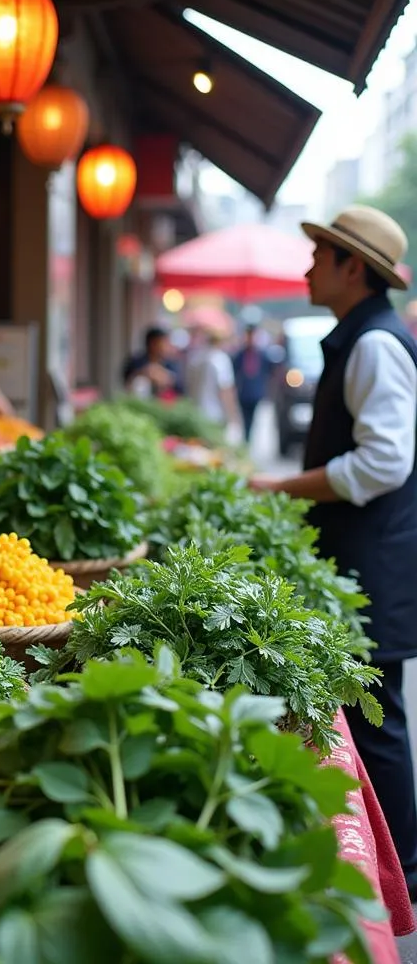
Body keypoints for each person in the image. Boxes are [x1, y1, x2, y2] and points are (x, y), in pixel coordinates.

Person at [250, 205, 417, 897]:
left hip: (375, 561)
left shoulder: (375, 343)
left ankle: (403, 870)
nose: (307, 267)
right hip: (365, 556)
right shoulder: (360, 337)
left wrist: (288, 487)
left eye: (319, 256)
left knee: (377, 722)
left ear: (354, 268)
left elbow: (385, 463)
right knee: (369, 716)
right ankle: (392, 864)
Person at [184, 327, 243, 437]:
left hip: (193, 411)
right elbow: (225, 391)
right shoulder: (220, 359)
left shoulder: (195, 358)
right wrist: (232, 417)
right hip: (214, 414)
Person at [232, 324, 274, 440]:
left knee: (252, 419)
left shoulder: (262, 354)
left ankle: (248, 438)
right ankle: (246, 439)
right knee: (245, 419)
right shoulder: (240, 355)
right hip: (244, 391)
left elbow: (268, 371)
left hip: (256, 392)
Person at [122, 326, 183, 399]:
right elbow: (126, 382)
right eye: (164, 342)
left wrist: (168, 379)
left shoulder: (172, 364)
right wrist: (144, 373)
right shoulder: (135, 362)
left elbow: (182, 389)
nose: (167, 346)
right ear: (152, 343)